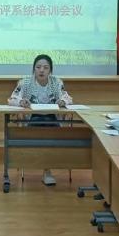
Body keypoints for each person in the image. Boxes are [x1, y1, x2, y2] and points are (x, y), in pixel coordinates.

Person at [7, 54, 74, 186]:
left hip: (52, 118)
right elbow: (12, 99)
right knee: (40, 131)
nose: (41, 70)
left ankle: (47, 170)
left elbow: (68, 98)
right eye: (38, 67)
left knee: (50, 132)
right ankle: (45, 168)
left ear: (50, 71)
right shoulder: (25, 82)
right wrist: (21, 102)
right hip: (32, 118)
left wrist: (63, 101)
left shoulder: (57, 82)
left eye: (45, 67)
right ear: (34, 69)